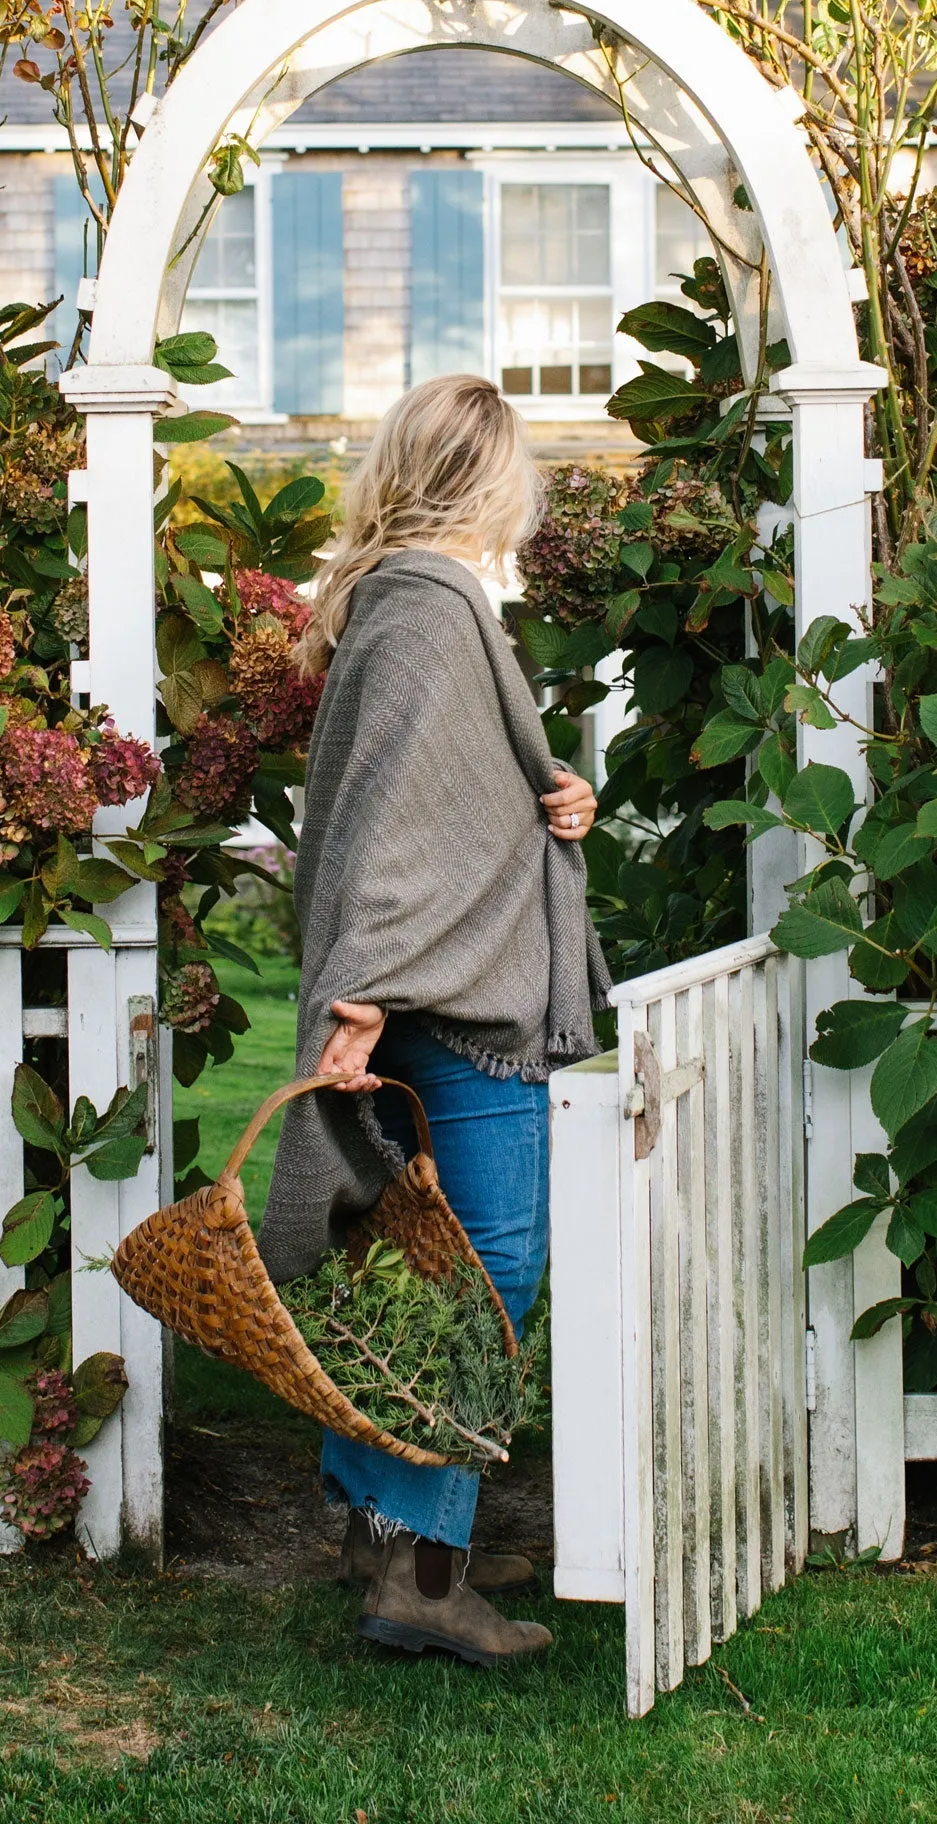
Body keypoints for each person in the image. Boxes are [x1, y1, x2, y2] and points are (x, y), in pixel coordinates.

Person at [259, 373, 610, 1667]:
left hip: (425, 981)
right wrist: (362, 989)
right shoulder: (430, 607)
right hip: (457, 1005)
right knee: (489, 1282)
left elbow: (436, 795)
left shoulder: (402, 602)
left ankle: (391, 1512)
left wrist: (547, 796)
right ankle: (417, 1569)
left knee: (429, 1273)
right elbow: (395, 834)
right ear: (491, 477)